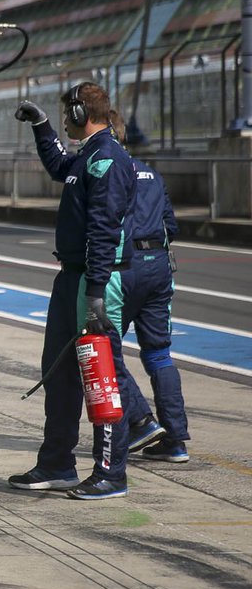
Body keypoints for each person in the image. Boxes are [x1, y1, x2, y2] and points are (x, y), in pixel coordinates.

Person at [11, 83, 138, 500]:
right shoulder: (88, 157)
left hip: (92, 279)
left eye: (67, 114)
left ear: (85, 112)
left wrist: (97, 292)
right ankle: (57, 464)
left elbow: (103, 230)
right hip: (72, 278)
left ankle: (110, 472)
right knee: (59, 372)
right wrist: (42, 127)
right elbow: (58, 166)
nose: (66, 121)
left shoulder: (108, 160)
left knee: (101, 377)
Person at [123, 157, 189, 462]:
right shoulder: (152, 172)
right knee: (159, 353)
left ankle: (141, 420)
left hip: (124, 268)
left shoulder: (105, 166)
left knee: (102, 348)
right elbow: (169, 224)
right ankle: (175, 440)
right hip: (160, 264)